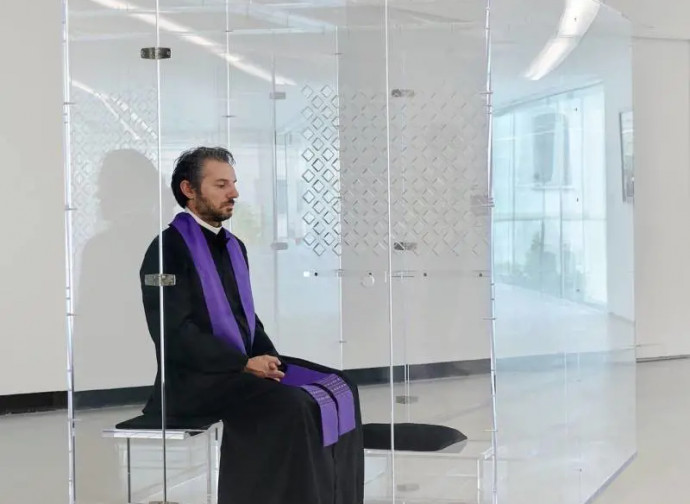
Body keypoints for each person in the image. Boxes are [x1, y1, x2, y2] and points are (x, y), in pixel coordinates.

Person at [139, 147, 364, 504]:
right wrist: (243, 363)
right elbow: (174, 334)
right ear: (189, 189)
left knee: (340, 386)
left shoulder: (234, 246)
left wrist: (267, 357)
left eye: (233, 183)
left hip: (238, 369)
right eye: (221, 185)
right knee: (294, 405)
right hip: (195, 381)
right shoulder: (167, 250)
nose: (234, 193)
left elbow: (246, 318)